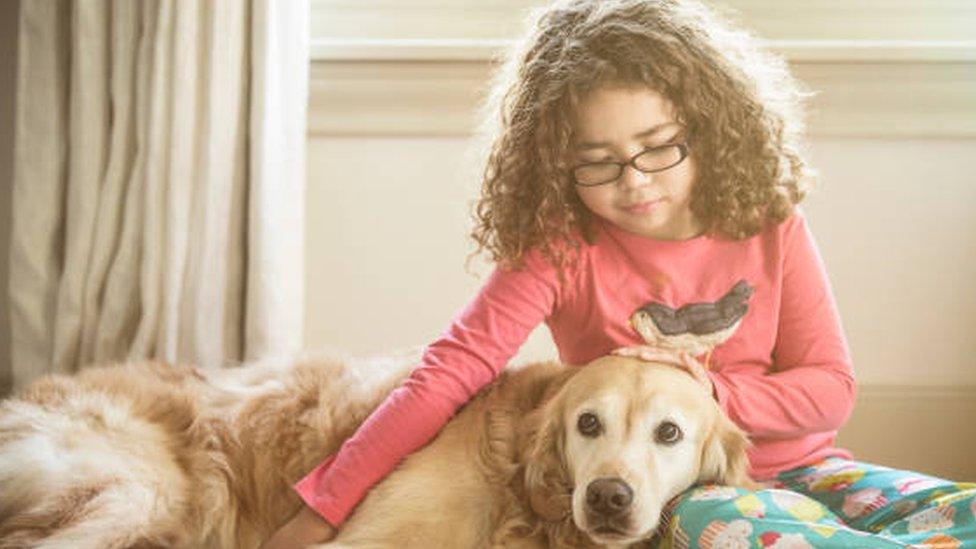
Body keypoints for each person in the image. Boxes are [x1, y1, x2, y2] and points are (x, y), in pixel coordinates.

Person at [263, 1, 976, 547]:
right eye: (598, 160)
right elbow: (449, 373)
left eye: (658, 147)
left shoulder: (768, 221)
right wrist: (326, 501)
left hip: (804, 466)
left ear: (709, 127)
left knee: (955, 511)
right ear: (554, 165)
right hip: (679, 491)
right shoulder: (560, 247)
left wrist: (713, 392)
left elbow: (830, 387)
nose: (634, 181)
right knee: (762, 532)